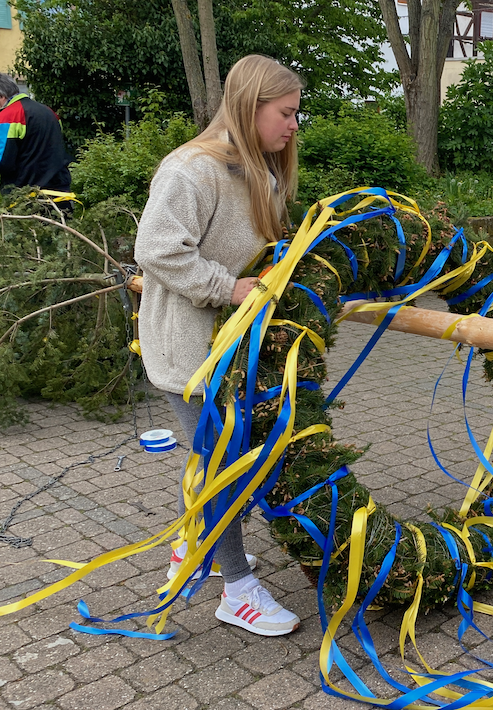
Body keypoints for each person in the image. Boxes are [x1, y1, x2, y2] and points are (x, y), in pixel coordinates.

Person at [134, 55, 302, 636]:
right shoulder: (191, 171)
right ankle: (236, 590)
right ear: (249, 104)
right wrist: (228, 288)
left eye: (296, 113)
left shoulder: (262, 170)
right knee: (222, 467)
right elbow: (156, 249)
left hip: (231, 347)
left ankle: (196, 550)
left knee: (226, 459)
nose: (293, 125)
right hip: (189, 353)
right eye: (284, 113)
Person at [0, 72, 72, 192]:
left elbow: (1, 163)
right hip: (59, 188)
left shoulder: (8, 116)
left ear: (1, 96)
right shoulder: (49, 112)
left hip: (25, 193)